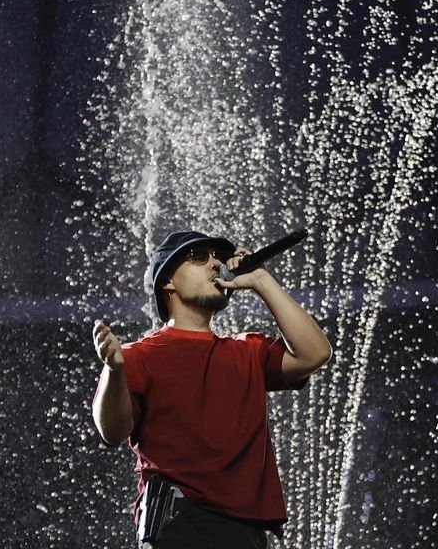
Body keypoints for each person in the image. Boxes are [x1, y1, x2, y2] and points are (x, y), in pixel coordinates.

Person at [91, 230, 332, 548]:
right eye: (198, 257)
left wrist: (261, 280)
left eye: (217, 257)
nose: (215, 264)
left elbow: (315, 354)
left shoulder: (249, 350)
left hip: (246, 529)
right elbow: (112, 431)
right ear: (168, 282)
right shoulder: (137, 356)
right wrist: (114, 370)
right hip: (179, 521)